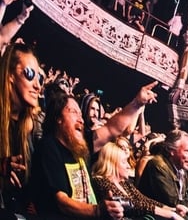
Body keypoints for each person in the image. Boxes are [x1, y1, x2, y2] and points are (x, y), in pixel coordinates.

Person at [29, 91, 125, 219]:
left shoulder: (80, 146)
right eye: (73, 112)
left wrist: (137, 103)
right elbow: (62, 202)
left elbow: (112, 129)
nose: (81, 119)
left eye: (80, 114)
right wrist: (98, 211)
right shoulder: (49, 146)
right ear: (58, 118)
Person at [91, 142, 187, 220]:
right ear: (112, 163)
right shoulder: (100, 181)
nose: (128, 166)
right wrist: (168, 214)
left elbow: (142, 199)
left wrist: (171, 209)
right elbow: (131, 205)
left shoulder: (124, 183)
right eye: (124, 162)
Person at [0, 42, 44, 213]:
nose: (37, 85)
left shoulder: (33, 127)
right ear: (11, 75)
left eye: (39, 78)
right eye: (29, 74)